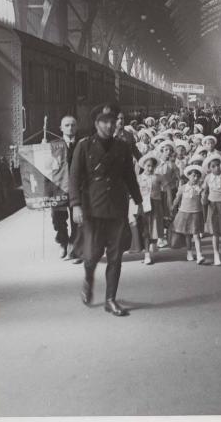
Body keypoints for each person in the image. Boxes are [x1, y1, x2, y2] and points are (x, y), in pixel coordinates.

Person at [69, 103, 143, 316]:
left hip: (117, 207)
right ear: (96, 123)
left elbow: (129, 175)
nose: (110, 126)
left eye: (113, 121)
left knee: (115, 256)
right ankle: (88, 280)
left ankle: (110, 299)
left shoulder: (122, 146)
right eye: (105, 122)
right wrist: (75, 206)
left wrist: (138, 200)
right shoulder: (84, 146)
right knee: (91, 255)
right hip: (93, 208)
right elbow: (74, 178)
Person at [51, 115, 83, 262]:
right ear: (61, 128)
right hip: (59, 187)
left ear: (77, 127)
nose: (70, 128)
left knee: (77, 218)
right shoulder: (53, 145)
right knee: (58, 218)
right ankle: (63, 242)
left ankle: (75, 247)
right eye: (67, 125)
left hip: (78, 187)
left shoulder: (82, 144)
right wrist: (43, 149)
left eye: (73, 125)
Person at [201, 153, 221, 266]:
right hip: (213, 205)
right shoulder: (208, 178)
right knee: (215, 231)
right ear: (209, 168)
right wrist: (204, 199)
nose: (217, 168)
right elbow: (204, 191)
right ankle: (216, 254)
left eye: (218, 165)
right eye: (213, 166)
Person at [171, 164, 206, 264]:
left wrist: (203, 193)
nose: (195, 178)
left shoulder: (199, 188)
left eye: (197, 176)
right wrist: (173, 207)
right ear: (188, 176)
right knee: (187, 235)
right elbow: (177, 199)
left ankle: (199, 255)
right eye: (193, 175)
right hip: (184, 213)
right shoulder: (183, 188)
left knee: (196, 235)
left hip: (195, 213)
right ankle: (189, 252)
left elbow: (203, 201)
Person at [137, 153, 163, 265]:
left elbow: (165, 188)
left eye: (152, 166)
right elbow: (135, 193)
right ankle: (147, 254)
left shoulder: (157, 177)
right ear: (143, 166)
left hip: (156, 205)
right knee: (145, 230)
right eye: (148, 165)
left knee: (155, 228)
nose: (150, 168)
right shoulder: (139, 178)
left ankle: (153, 244)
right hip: (144, 206)